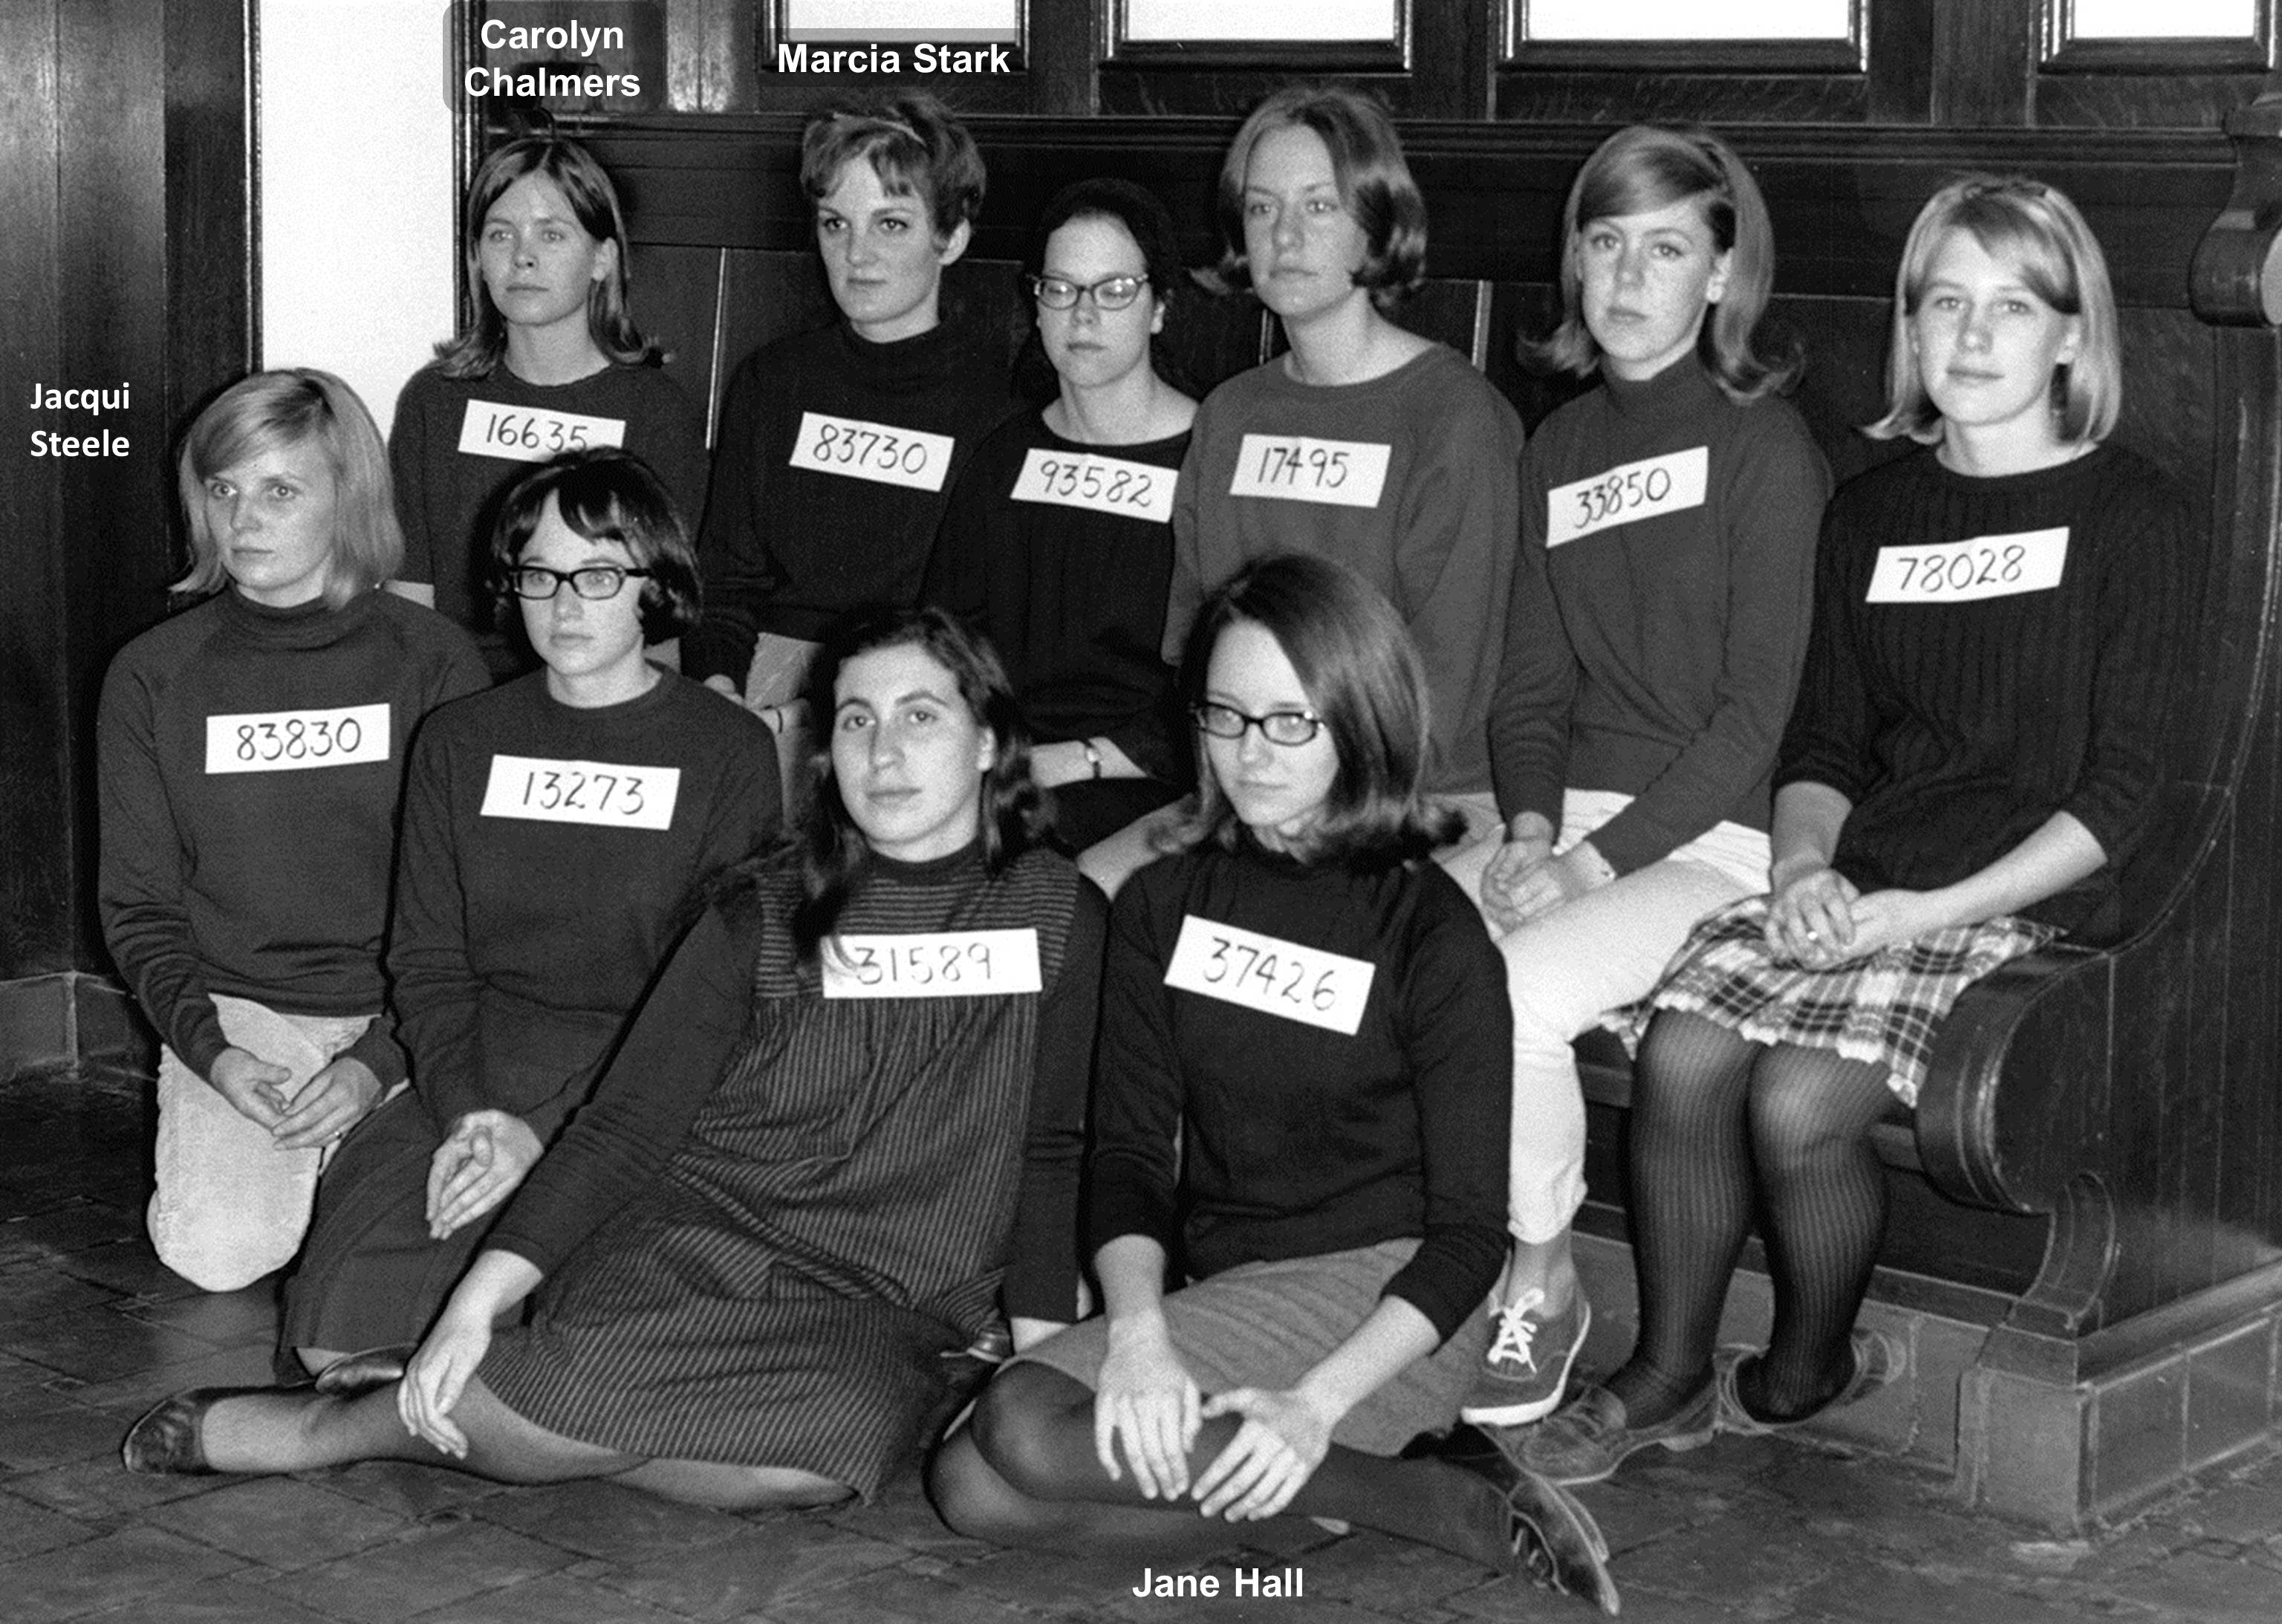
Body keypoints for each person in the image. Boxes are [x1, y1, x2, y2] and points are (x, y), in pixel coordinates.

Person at [123, 607, 1102, 1514]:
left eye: (920, 716)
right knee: (635, 1391)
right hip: (702, 1236)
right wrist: (475, 1303)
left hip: (889, 1285)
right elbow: (627, 1125)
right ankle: (336, 1428)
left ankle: (487, 1396)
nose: (882, 752)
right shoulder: (763, 911)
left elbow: (1055, 1148)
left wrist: (1040, 1357)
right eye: (856, 720)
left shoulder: (1059, 913)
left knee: (803, 1468)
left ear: (988, 740)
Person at [1521, 175, 2191, 1484]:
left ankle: (1806, 1363)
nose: (1973, 336)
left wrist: (1923, 912)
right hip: (1868, 877)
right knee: (1685, 1053)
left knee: (1795, 1101)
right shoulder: (1874, 513)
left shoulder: (2133, 515)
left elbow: (2120, 796)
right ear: (1910, 325)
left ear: (2072, 334)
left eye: (2013, 306)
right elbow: (1822, 747)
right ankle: (1667, 1374)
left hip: (2026, 904)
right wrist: (1804, 865)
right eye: (1945, 302)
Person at [929, 555, 1617, 1615]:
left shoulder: (1431, 933)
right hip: (1232, 1287)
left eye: (1291, 721)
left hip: (1390, 1303)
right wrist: (1141, 1333)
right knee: (971, 1488)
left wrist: (1316, 1401)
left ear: (1362, 720)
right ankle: (1350, 1499)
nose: (1251, 752)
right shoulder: (1163, 902)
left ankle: (1430, 1494)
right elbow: (1128, 1155)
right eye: (1226, 715)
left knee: (1019, 1426)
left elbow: (1470, 1236)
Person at [1460, 126, 1830, 1428]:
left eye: (1664, 249)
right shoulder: (1559, 443)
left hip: (1716, 838)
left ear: (1721, 276)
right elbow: (1530, 688)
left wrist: (1582, 869)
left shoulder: (1764, 448)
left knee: (1511, 987)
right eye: (1604, 242)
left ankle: (1541, 1274)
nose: (1624, 276)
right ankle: (1406, 1264)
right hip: (1569, 818)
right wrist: (1524, 830)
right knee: (1378, 935)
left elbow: (1753, 721)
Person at [279, 449, 779, 1379]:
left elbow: (720, 999)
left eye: (599, 575)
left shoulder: (728, 750)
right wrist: (471, 1115)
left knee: (551, 1342)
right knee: (334, 1336)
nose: (565, 604)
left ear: (656, 584)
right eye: (540, 574)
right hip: (474, 1060)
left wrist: (546, 1131)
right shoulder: (461, 739)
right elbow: (427, 964)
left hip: (649, 1079)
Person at [97, 368, 487, 1293]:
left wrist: (381, 1058)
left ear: (347, 496)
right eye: (222, 489)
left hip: (410, 1009)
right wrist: (213, 1053)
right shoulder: (152, 674)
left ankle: (355, 1156)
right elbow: (140, 906)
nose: (242, 520)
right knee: (218, 1254)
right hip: (246, 1010)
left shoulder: (433, 660)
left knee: (422, 1252)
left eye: (279, 490)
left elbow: (478, 900)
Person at [1141, 85, 1522, 892]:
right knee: (1096, 904)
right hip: (1248, 786)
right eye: (1262, 208)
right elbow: (1193, 640)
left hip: (1413, 799)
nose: (1285, 236)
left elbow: (1449, 684)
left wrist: (1306, 813)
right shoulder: (1231, 415)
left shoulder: (1453, 415)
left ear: (1377, 223)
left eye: (1319, 206)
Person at [688, 94, 1015, 750]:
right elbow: (724, 586)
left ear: (951, 238)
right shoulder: (772, 382)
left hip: (915, 700)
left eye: (890, 224)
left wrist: (810, 717)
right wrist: (721, 694)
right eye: (835, 224)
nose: (856, 254)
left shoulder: (999, 408)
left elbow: (979, 630)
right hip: (762, 683)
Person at [923, 177, 1197, 863]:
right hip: (1008, 767)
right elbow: (947, 637)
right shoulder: (1005, 457)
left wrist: (1080, 759)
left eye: (1114, 290)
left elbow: (1227, 675)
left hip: (1157, 778)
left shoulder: (1210, 458)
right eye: (1061, 289)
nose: (1083, 315)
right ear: (1036, 304)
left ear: (1160, 307)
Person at [387, 135, 707, 677]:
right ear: (477, 258)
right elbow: (409, 603)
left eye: (552, 234)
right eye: (500, 234)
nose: (523, 256)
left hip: (597, 692)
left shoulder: (657, 411)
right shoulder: (434, 400)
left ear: (603, 258)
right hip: (459, 691)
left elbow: (660, 625)